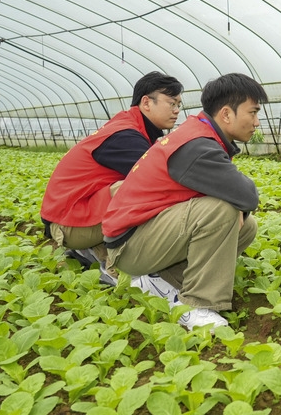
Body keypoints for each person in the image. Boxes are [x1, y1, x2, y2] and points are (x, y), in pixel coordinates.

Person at [102, 73, 265, 331]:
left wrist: (241, 210)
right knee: (221, 210)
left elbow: (240, 196)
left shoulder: (201, 135)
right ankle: (196, 305)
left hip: (144, 235)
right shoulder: (197, 146)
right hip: (128, 245)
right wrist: (239, 206)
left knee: (247, 225)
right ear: (226, 114)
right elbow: (246, 194)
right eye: (253, 112)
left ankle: (161, 280)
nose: (256, 121)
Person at [40, 71, 183, 285]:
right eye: (172, 103)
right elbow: (168, 179)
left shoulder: (134, 128)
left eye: (179, 104)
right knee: (148, 189)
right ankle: (117, 265)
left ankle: (92, 250)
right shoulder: (125, 136)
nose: (177, 110)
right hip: (67, 225)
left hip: (75, 216)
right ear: (146, 102)